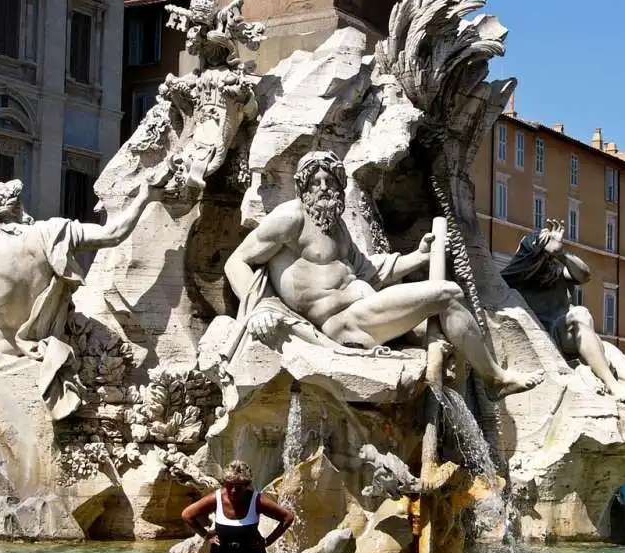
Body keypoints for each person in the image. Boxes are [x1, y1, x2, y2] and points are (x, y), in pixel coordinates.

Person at [224, 150, 543, 400]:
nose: (324, 188)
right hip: (341, 323)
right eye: (316, 182)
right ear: (303, 187)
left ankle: (484, 382)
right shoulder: (290, 218)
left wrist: (417, 257)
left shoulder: (337, 227)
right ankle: (496, 379)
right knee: (447, 294)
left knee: (444, 329)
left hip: (367, 310)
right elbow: (236, 262)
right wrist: (258, 310)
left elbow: (368, 271)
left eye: (331, 182)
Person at [0, 178, 164, 420]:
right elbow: (113, 234)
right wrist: (145, 196)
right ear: (16, 207)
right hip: (46, 341)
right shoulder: (50, 233)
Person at [501, 219, 625, 401]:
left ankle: (608, 380)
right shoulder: (517, 275)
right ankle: (612, 385)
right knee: (580, 314)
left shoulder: (556, 271)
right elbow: (511, 270)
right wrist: (542, 248)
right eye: (546, 248)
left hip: (579, 334)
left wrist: (561, 253)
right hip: (550, 336)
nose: (549, 258)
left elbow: (584, 275)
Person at [181, 460, 294, 553]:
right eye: (229, 486)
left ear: (247, 484)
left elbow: (287, 517)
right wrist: (206, 535)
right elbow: (187, 515)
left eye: (239, 487)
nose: (233, 491)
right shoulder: (216, 498)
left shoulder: (257, 500)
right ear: (224, 483)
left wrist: (267, 541)